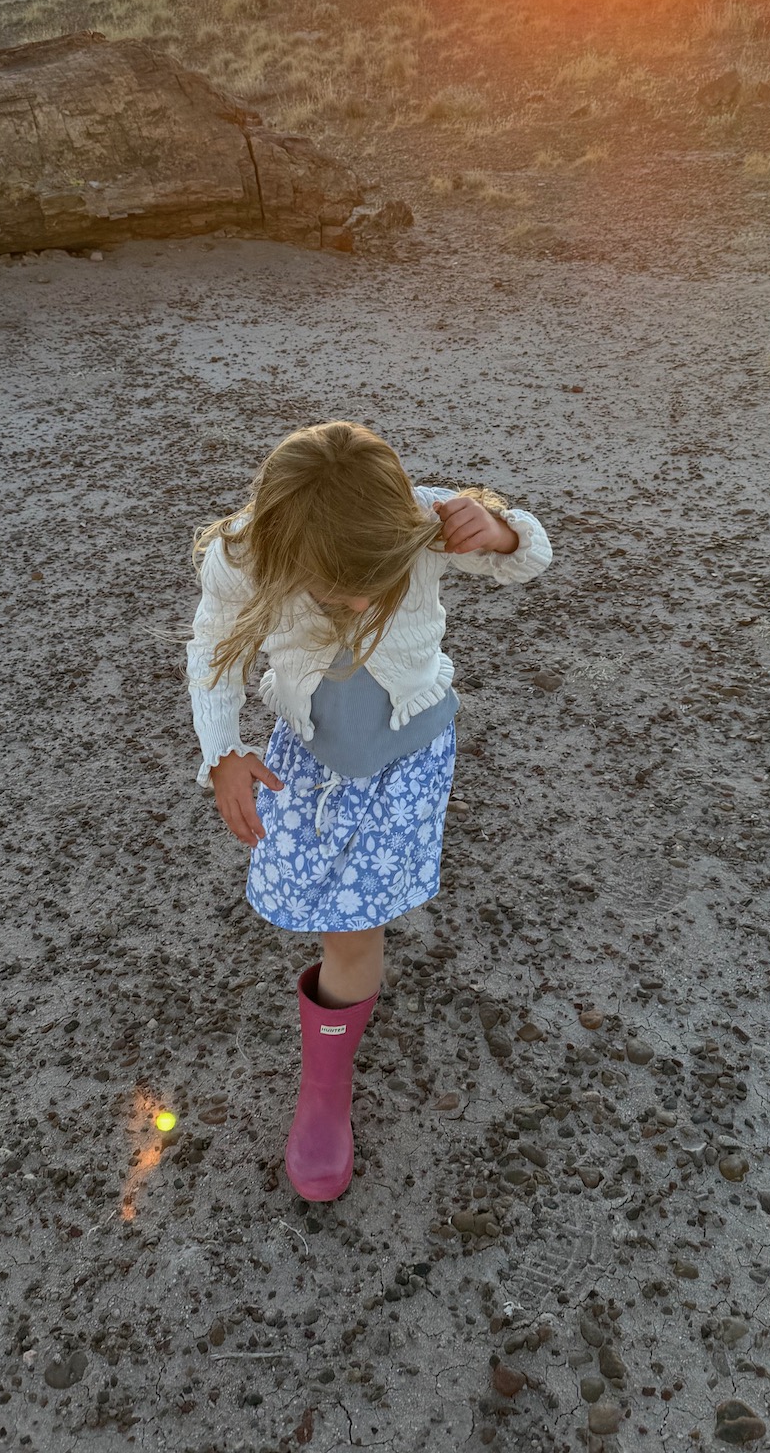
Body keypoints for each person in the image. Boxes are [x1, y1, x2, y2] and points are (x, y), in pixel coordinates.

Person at [186, 421, 551, 1201]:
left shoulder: (417, 522)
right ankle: (341, 1019)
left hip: (406, 753)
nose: (355, 601)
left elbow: (530, 562)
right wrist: (221, 751)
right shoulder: (249, 552)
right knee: (326, 903)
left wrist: (500, 532)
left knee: (354, 922)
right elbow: (212, 643)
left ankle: (325, 1088)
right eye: (331, 588)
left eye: (371, 584)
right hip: (310, 757)